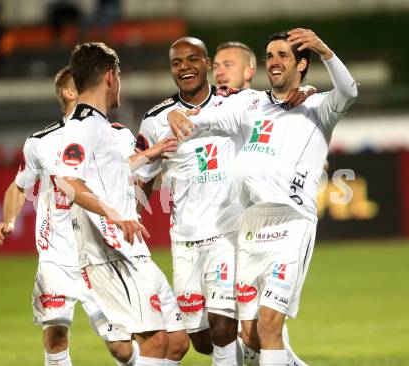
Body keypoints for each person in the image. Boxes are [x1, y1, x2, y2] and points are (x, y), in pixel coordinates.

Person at [167, 28, 358, 366]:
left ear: (302, 64)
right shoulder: (250, 103)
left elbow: (349, 90)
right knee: (252, 334)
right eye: (270, 55)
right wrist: (180, 115)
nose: (274, 62)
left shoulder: (318, 107)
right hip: (251, 225)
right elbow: (206, 119)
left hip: (291, 223)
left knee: (270, 326)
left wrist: (324, 50)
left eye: (283, 55)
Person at [0, 65, 188, 366]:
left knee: (122, 348)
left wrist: (149, 157)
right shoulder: (40, 142)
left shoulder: (118, 135)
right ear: (71, 92)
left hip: (102, 251)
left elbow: (124, 172)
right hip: (58, 256)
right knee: (56, 332)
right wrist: (9, 221)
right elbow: (18, 188)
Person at [135, 37, 310, 366]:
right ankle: (280, 360)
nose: (185, 67)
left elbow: (283, 103)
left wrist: (308, 91)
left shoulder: (239, 103)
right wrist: (132, 216)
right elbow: (144, 175)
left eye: (193, 60)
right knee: (201, 339)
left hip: (229, 232)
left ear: (206, 63)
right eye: (176, 63)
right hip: (184, 238)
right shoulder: (156, 119)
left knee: (223, 326)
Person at [57, 42, 189, 366]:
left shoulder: (101, 125)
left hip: (129, 247)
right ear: (109, 77)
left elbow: (109, 172)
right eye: (120, 76)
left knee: (176, 341)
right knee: (155, 341)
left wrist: (149, 154)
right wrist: (115, 216)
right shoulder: (80, 126)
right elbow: (67, 182)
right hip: (108, 251)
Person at [212, 41, 309, 366]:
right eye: (216, 65)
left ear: (250, 71)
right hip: (227, 230)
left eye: (229, 64)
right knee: (247, 334)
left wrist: (305, 89)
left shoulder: (267, 104)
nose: (220, 70)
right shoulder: (216, 108)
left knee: (263, 327)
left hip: (266, 227)